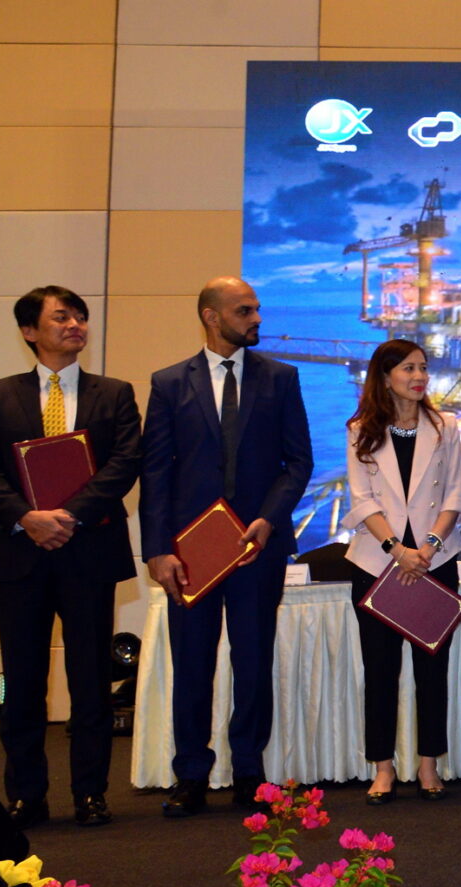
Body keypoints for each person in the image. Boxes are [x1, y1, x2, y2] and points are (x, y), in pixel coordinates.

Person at [0, 287, 141, 829]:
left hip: (88, 553)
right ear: (29, 331)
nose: (75, 324)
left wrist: (67, 516)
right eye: (61, 317)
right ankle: (26, 795)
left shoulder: (114, 393)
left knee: (91, 681)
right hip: (20, 554)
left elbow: (124, 463)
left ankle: (90, 793)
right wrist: (29, 518)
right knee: (23, 683)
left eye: (80, 316)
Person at [141, 277, 313, 816]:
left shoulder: (281, 378)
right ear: (211, 316)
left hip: (258, 548)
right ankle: (190, 773)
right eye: (244, 310)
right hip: (191, 552)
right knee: (192, 664)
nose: (257, 318)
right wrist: (157, 550)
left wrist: (268, 519)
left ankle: (249, 772)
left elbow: (298, 462)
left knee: (254, 661)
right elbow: (155, 474)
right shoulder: (169, 383)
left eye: (257, 309)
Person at [341, 339, 461, 804]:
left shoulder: (445, 426)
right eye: (408, 369)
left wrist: (428, 546)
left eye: (423, 368)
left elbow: (455, 494)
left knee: (432, 671)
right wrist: (397, 549)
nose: (420, 377)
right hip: (377, 563)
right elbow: (362, 501)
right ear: (384, 376)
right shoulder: (360, 430)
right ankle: (383, 768)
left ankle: (428, 764)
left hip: (435, 561)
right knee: (380, 671)